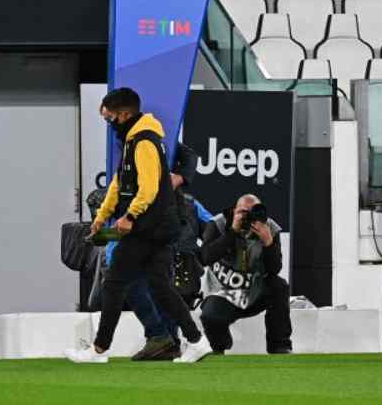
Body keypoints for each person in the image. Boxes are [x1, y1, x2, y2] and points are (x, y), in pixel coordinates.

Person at [66, 88, 214, 364]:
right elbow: (118, 183)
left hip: (147, 227)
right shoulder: (136, 140)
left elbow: (147, 189)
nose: (109, 124)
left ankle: (99, 350)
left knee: (114, 283)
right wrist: (102, 216)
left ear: (124, 114)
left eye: (109, 118)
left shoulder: (143, 143)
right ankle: (197, 340)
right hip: (159, 226)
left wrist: (129, 217)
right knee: (160, 285)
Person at [119, 143, 214, 361]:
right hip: (145, 236)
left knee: (161, 283)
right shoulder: (128, 146)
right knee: (134, 283)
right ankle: (164, 338)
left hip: (179, 256)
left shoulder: (188, 203)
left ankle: (172, 340)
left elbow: (212, 228)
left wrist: (178, 178)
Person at [199, 194, 292, 355]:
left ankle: (280, 346)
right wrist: (232, 232)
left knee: (279, 286)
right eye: (243, 211)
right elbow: (205, 257)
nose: (248, 217)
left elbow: (274, 269)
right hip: (223, 292)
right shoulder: (218, 224)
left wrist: (268, 242)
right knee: (209, 317)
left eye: (253, 211)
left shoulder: (269, 227)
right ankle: (219, 344)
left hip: (254, 291)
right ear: (233, 210)